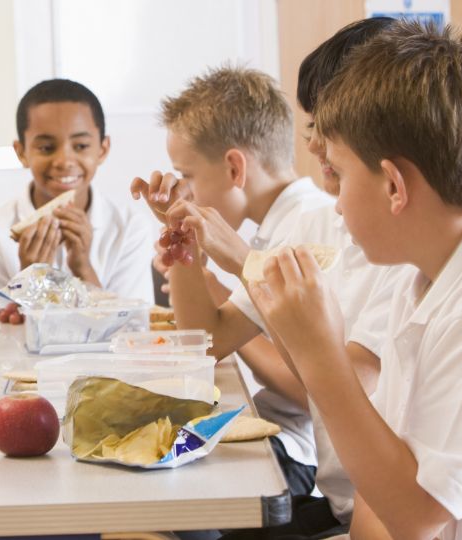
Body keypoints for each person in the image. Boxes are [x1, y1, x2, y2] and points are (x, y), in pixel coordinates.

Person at [251, 21, 462, 539]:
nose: (336, 200)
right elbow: (377, 498)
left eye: (342, 175)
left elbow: (417, 516)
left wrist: (321, 354)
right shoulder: (418, 281)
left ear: (394, 186)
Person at [132, 65, 333, 499]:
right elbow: (207, 340)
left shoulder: (309, 224)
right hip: (276, 434)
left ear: (234, 167)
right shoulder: (276, 225)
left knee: (151, 499)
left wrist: (241, 272)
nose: (183, 188)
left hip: (301, 457)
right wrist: (180, 234)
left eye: (186, 175)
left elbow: (308, 390)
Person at [0, 78, 154, 315]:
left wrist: (83, 268)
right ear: (21, 152)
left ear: (103, 149)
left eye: (80, 146)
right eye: (46, 148)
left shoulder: (130, 228)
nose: (65, 161)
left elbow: (136, 331)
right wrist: (30, 279)